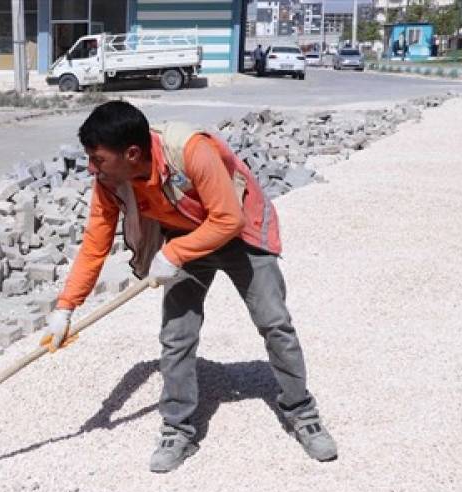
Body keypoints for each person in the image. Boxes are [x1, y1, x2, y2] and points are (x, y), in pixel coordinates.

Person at [40, 101, 338, 472]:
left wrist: (174, 253)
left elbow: (228, 218)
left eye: (97, 159)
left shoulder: (189, 149)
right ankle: (178, 428)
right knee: (176, 336)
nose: (91, 168)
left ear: (131, 153)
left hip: (239, 231)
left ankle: (301, 412)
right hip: (186, 237)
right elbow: (94, 245)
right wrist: (67, 307)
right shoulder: (110, 181)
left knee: (274, 322)